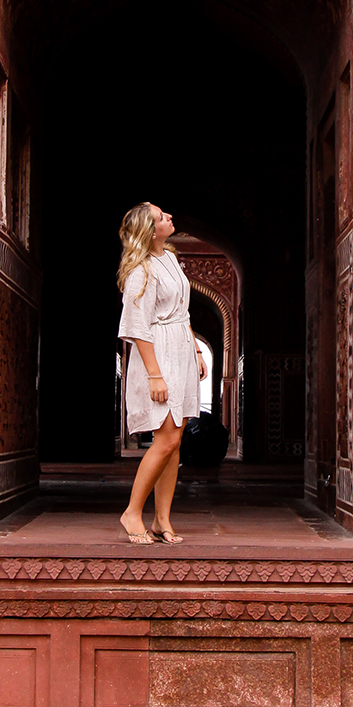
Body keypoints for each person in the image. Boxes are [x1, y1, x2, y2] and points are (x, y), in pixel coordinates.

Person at [117, 202, 206, 544]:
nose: (169, 216)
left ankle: (162, 520)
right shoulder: (141, 269)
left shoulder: (169, 257)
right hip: (157, 355)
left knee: (175, 441)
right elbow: (138, 327)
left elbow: (181, 311)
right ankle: (132, 512)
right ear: (151, 230)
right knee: (165, 438)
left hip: (180, 349)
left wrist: (196, 349)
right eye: (161, 216)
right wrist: (155, 375)